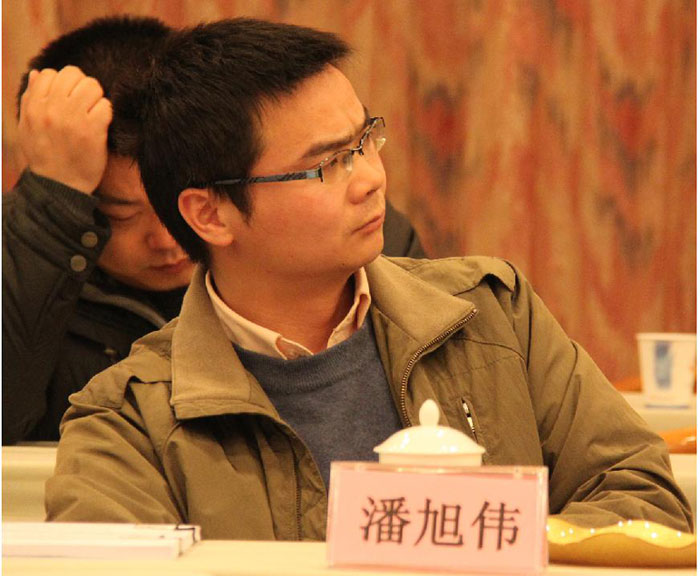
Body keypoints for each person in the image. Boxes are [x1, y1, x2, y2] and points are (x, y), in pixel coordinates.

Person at [46, 19, 692, 538]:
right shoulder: (128, 419)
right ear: (209, 214)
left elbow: (644, 498)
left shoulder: (494, 314)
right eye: (326, 165)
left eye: (364, 142)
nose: (372, 179)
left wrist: (495, 543)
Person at [2, 17, 423, 445]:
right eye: (123, 215)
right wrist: (52, 197)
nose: (169, 239)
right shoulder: (31, 248)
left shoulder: (339, 230)